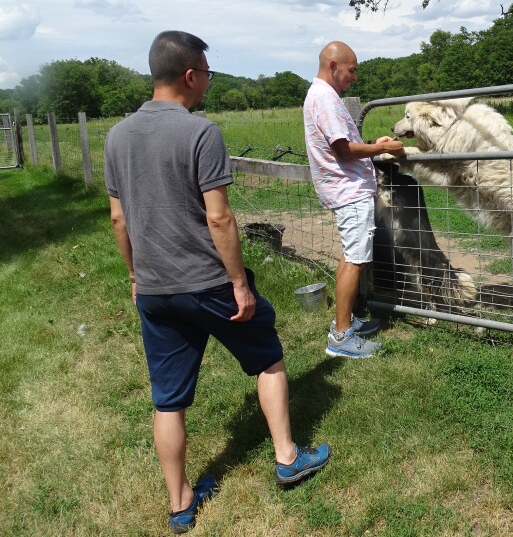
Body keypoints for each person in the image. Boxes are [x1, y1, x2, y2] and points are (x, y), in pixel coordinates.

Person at [104, 31, 331, 534]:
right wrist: (240, 285)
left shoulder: (116, 137)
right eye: (206, 73)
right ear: (190, 76)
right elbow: (220, 219)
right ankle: (288, 456)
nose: (207, 83)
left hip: (156, 289)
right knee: (267, 357)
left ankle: (180, 502)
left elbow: (119, 220)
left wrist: (136, 276)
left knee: (168, 399)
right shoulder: (200, 132)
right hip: (207, 283)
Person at [303, 41, 404, 358]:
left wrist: (374, 144)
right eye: (351, 70)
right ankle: (341, 337)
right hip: (349, 191)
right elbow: (343, 149)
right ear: (333, 66)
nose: (354, 77)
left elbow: (344, 144)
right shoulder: (327, 99)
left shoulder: (319, 96)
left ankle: (345, 322)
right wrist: (381, 149)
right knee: (355, 258)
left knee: (351, 256)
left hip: (345, 189)